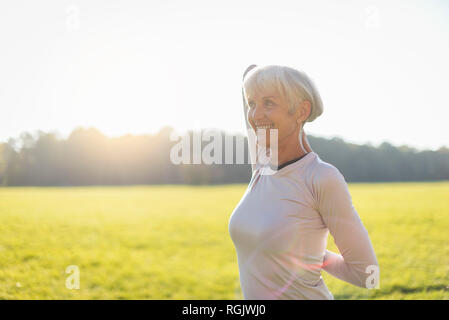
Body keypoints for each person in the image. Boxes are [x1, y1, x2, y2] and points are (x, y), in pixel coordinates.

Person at [228, 65, 379, 299]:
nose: (256, 114)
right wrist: (250, 77)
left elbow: (367, 275)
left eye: (269, 103)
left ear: (300, 111)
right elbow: (253, 122)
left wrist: (311, 257)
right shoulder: (262, 166)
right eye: (252, 104)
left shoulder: (321, 178)